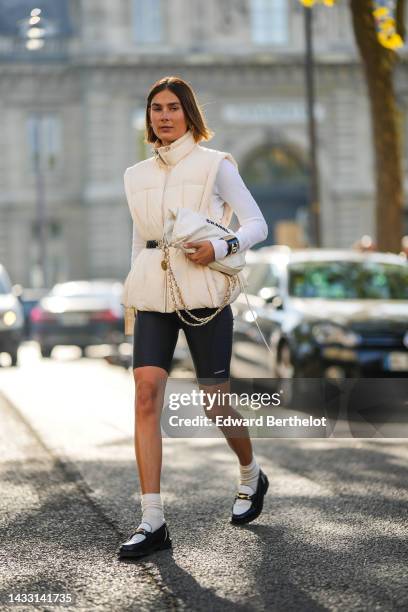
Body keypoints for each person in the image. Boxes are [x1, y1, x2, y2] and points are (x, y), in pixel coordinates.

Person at [118, 76, 269, 560]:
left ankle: (250, 473)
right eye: (156, 108)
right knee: (146, 396)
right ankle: (152, 519)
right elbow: (139, 242)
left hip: (205, 292)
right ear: (149, 117)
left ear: (188, 115)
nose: (163, 116)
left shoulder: (215, 165)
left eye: (173, 108)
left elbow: (256, 224)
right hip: (152, 294)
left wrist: (221, 245)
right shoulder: (134, 174)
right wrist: (131, 299)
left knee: (214, 402)